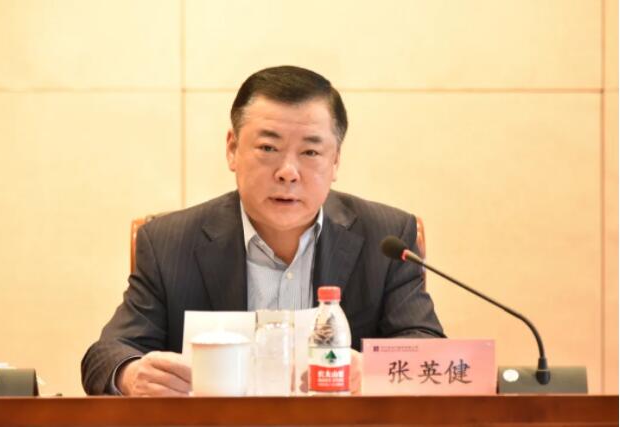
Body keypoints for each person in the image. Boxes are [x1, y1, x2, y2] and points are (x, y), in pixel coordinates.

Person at [81, 65, 444, 396]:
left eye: (310, 152)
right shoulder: (169, 242)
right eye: (268, 147)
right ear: (232, 149)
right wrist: (131, 374)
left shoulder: (386, 237)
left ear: (335, 161)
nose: (288, 172)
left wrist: (374, 371)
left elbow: (430, 350)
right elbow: (107, 354)